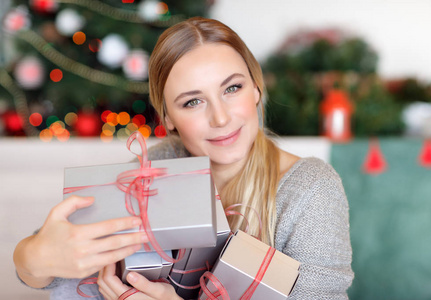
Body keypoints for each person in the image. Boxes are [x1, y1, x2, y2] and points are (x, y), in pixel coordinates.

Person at [14, 17, 353, 299]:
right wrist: (32, 257)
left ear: (256, 89)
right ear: (168, 119)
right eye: (193, 101)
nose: (220, 118)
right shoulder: (162, 164)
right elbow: (55, 269)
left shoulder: (311, 189)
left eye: (232, 88)